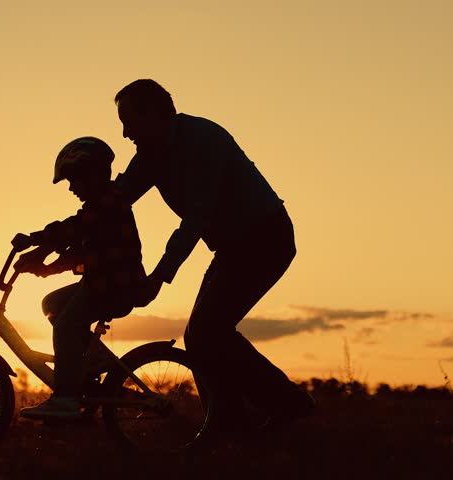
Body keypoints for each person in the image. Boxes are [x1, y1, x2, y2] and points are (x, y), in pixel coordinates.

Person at [112, 79, 315, 433]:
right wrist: (57, 235)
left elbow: (196, 218)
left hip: (266, 238)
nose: (125, 133)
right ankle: (232, 423)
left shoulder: (203, 139)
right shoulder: (149, 155)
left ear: (156, 114)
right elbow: (115, 201)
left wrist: (159, 275)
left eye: (129, 121)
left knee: (208, 331)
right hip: (234, 246)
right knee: (200, 336)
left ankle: (281, 407)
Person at [13, 136, 147, 419]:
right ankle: (95, 359)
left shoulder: (108, 202)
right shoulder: (98, 206)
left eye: (73, 179)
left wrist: (34, 240)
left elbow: (72, 230)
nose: (71, 187)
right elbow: (79, 252)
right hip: (102, 283)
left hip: (114, 286)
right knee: (52, 303)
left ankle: (65, 398)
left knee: (65, 326)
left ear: (91, 174)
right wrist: (47, 268)